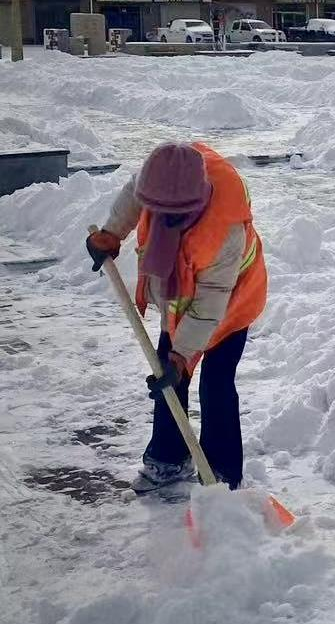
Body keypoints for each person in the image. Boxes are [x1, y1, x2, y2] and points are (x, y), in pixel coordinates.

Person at [84, 142, 268, 493]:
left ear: (196, 202)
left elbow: (211, 301)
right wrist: (111, 233)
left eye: (175, 217)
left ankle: (223, 478)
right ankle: (167, 462)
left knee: (215, 383)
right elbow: (133, 195)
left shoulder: (223, 232)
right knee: (168, 378)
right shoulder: (162, 175)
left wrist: (182, 357)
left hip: (233, 300)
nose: (165, 222)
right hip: (181, 294)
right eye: (159, 212)